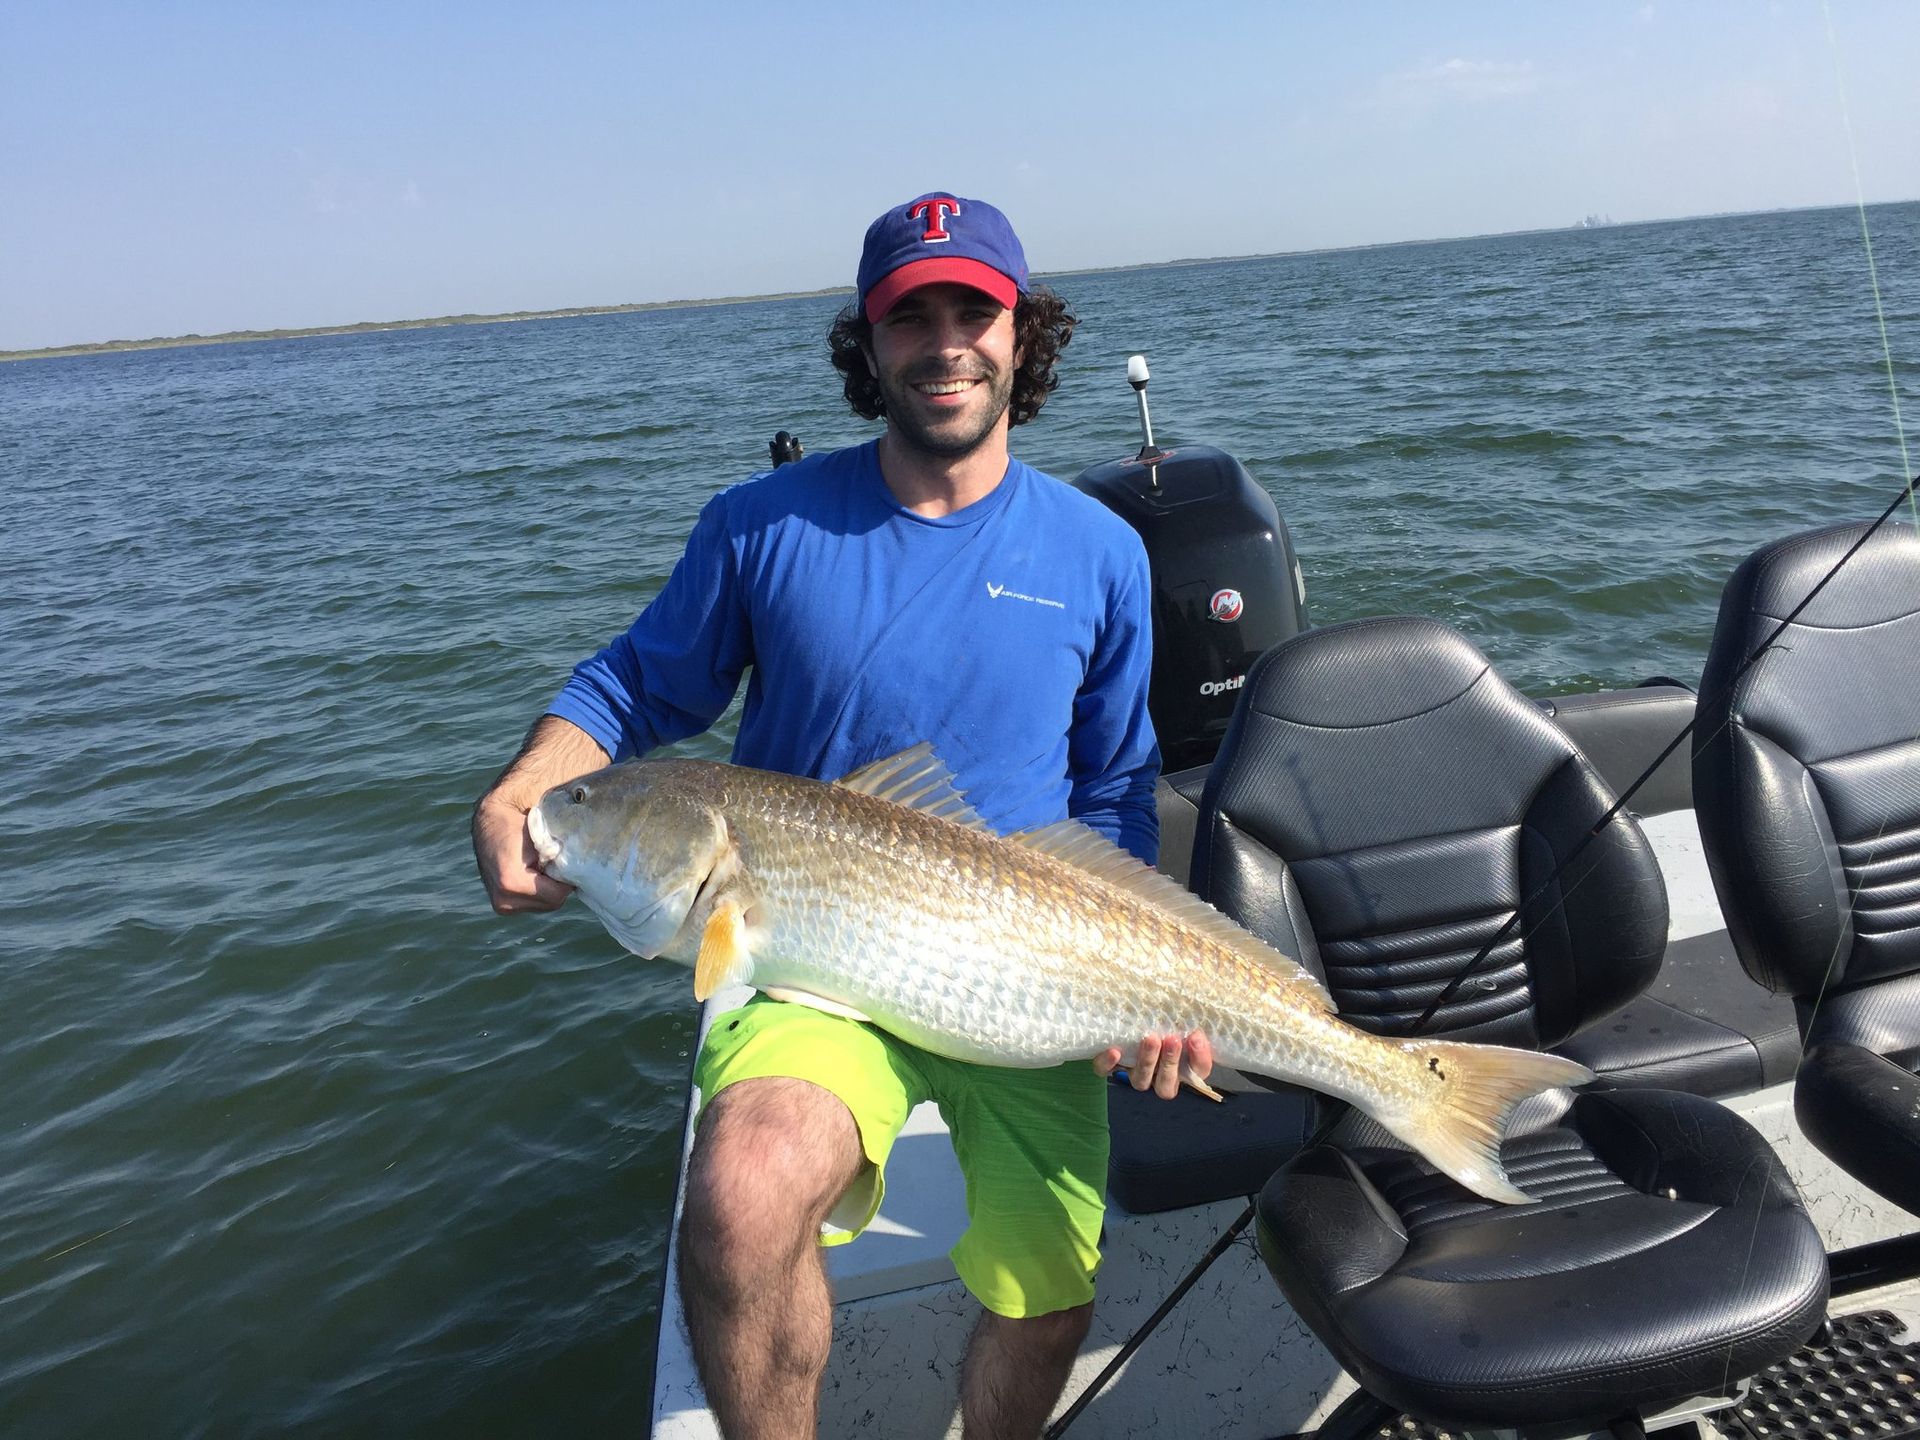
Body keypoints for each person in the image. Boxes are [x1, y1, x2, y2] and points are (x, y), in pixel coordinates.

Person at [472, 191, 1212, 1440]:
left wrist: (1136, 981)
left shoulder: (1101, 550)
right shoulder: (759, 528)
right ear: (865, 349)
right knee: (744, 1192)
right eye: (906, 317)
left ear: (1022, 337)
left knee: (1049, 1302)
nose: (944, 343)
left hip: (1025, 961)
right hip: (810, 961)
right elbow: (632, 685)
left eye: (972, 311)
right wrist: (527, 782)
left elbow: (1114, 785)